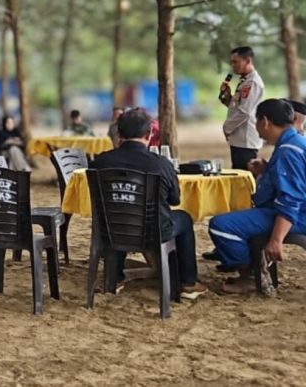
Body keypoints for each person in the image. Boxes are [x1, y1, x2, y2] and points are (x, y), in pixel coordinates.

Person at [90, 108, 207, 299]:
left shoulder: (100, 162)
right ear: (149, 134)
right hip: (154, 231)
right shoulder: (161, 164)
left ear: (118, 133)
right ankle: (188, 282)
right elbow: (174, 200)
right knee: (184, 218)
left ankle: (114, 278)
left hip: (112, 229)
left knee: (118, 213)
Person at [209, 99, 306, 294]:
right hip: (291, 210)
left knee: (221, 226)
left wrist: (276, 239)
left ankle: (251, 276)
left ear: (265, 122)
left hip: (298, 216)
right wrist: (267, 170)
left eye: (256, 122)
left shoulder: (288, 151)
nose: (257, 129)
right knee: (239, 218)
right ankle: (252, 268)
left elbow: (291, 200)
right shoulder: (295, 142)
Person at [220, 46, 265, 170]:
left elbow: (245, 111)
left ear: (248, 61)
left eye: (236, 62)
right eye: (232, 62)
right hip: (239, 138)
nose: (233, 65)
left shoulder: (252, 83)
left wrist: (227, 127)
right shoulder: (245, 82)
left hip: (246, 140)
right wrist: (227, 97)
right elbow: (237, 106)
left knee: (244, 176)